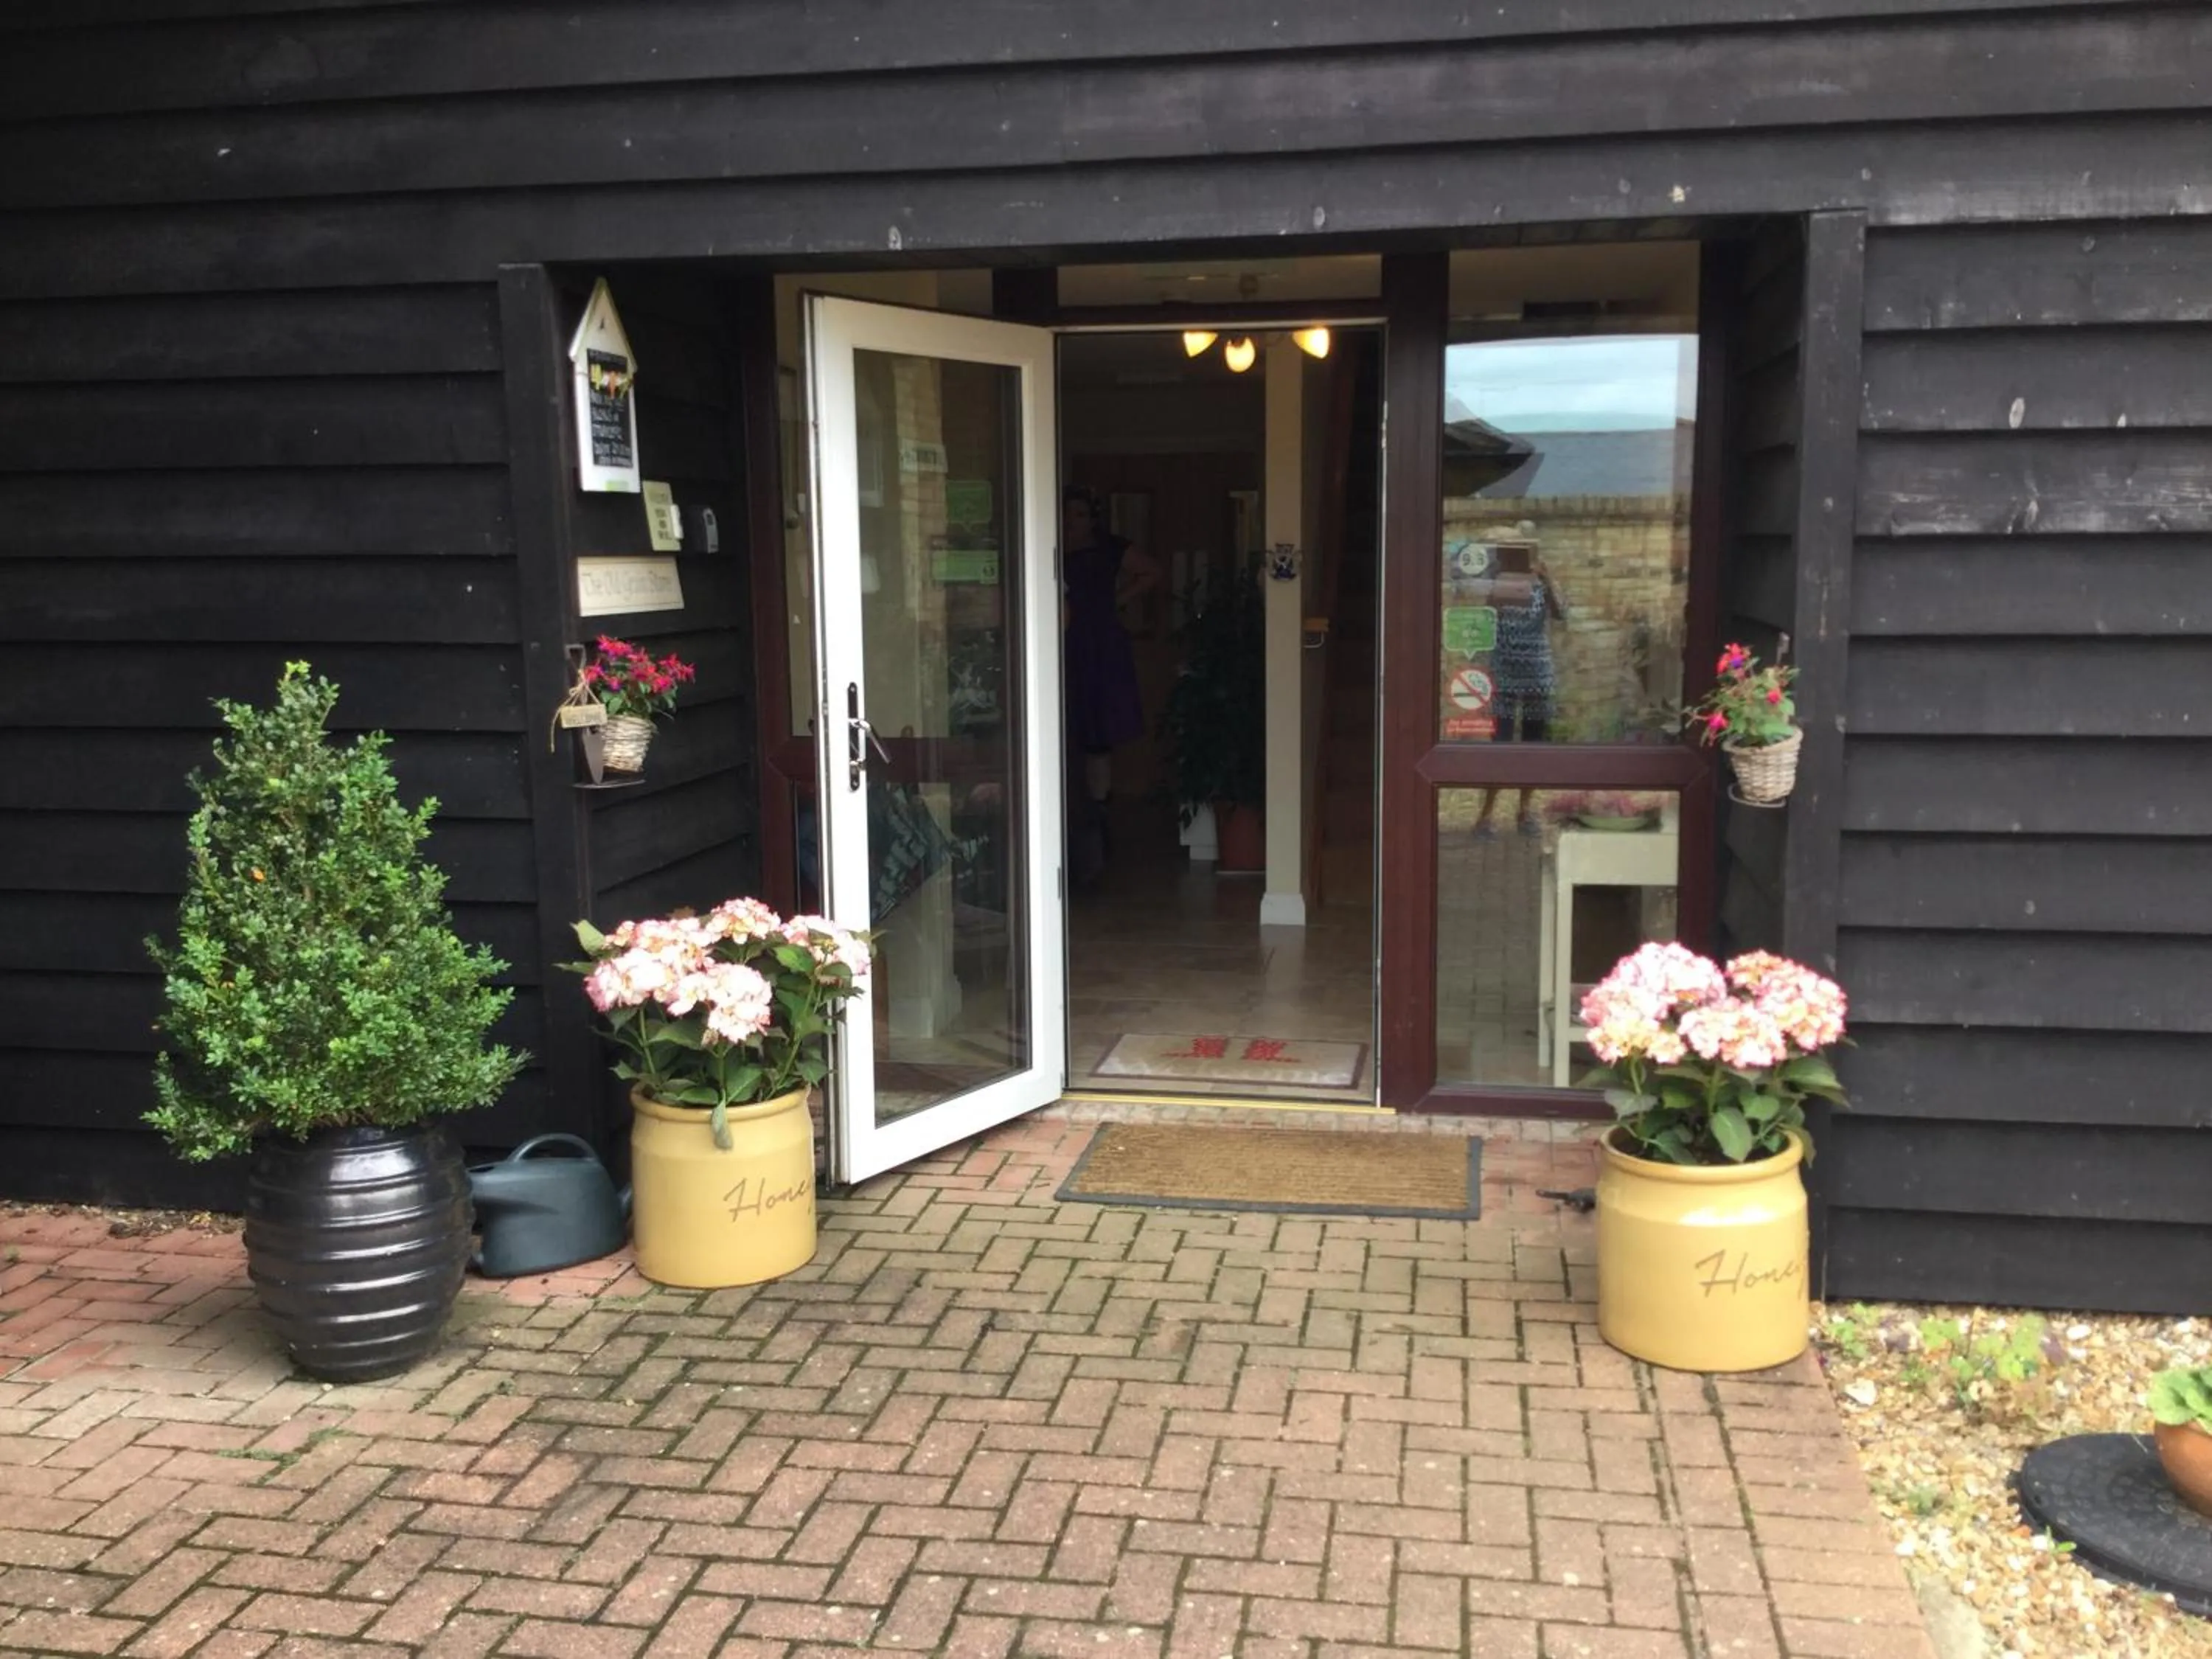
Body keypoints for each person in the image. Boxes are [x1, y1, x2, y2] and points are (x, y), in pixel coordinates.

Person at [1061, 486, 1162, 881]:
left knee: (1099, 726)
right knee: (1068, 722)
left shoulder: (1109, 548)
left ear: (1093, 518)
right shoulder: (1044, 544)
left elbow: (1152, 571)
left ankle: (1099, 810)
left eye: (1081, 515)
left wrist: (1117, 599)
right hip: (1061, 641)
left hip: (1099, 641)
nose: (1073, 522)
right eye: (1068, 514)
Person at [1473, 549, 1568, 840]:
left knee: (1533, 745)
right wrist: (1496, 582)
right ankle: (1486, 815)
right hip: (1504, 673)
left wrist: (1548, 579)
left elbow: (1562, 613)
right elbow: (1485, 617)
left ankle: (1525, 812)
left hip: (1537, 674)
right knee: (1498, 745)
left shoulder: (1543, 585)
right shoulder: (1498, 584)